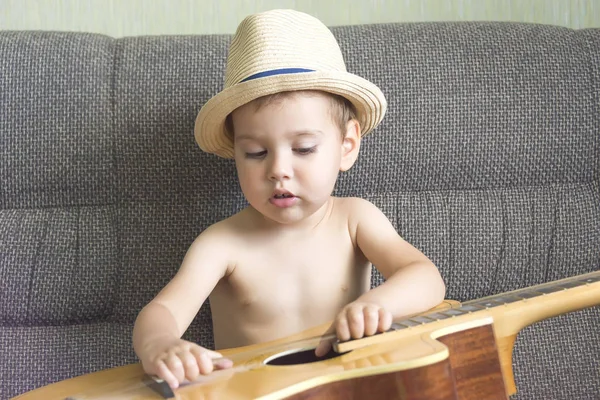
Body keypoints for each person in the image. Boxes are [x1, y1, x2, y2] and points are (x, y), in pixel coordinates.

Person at [132, 8, 446, 391]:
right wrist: (160, 343)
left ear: (347, 146)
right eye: (255, 153)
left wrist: (377, 305)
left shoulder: (355, 219)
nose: (278, 170)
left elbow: (425, 276)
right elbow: (163, 310)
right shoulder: (223, 243)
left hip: (348, 388)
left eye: (303, 148)